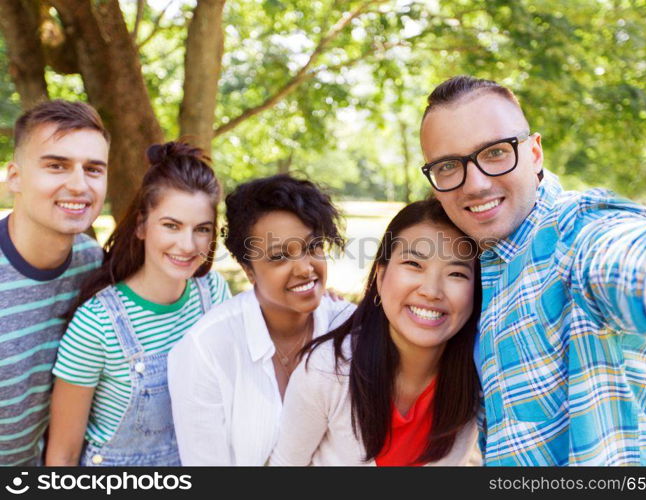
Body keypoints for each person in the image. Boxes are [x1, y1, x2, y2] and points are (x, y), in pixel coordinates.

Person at [419, 75, 646, 466]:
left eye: (496, 152)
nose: (476, 184)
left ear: (535, 154)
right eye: (449, 166)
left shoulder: (577, 233)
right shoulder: (477, 268)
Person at [45, 142, 231, 466]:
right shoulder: (96, 323)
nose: (187, 245)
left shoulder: (213, 294)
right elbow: (63, 455)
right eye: (171, 225)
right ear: (143, 225)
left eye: (201, 229)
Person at [270, 198, 481, 466]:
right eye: (414, 265)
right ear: (381, 278)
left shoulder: (478, 379)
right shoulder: (327, 371)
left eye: (457, 274)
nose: (431, 291)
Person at [167, 174, 355, 465]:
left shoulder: (349, 329)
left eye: (312, 246)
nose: (305, 269)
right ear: (249, 270)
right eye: (279, 257)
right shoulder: (205, 350)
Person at [0, 101, 109, 466]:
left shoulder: (91, 264)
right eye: (56, 165)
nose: (78, 185)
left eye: (93, 169)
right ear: (14, 176)